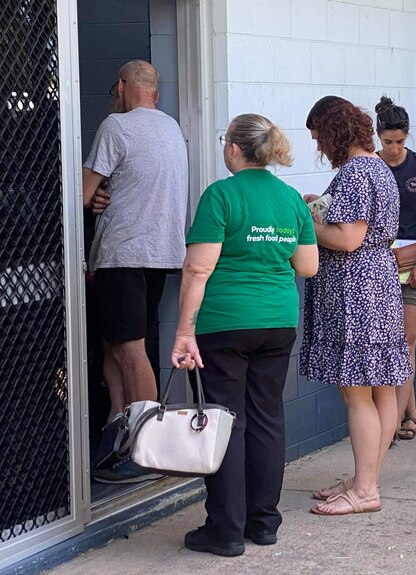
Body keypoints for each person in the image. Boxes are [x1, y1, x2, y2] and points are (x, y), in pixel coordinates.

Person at [171, 114, 318, 557]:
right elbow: (307, 266)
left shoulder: (220, 195)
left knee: (225, 421)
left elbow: (198, 268)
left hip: (225, 323)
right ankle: (264, 522)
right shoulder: (291, 199)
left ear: (233, 148)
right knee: (267, 417)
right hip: (277, 321)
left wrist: (183, 332)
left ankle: (226, 530)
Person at [301, 96, 412, 515]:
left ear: (332, 132)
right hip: (378, 284)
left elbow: (347, 238)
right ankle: (366, 479)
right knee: (381, 389)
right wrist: (322, 208)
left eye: (318, 137)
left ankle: (365, 492)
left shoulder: (353, 172)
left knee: (357, 395)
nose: (318, 146)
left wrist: (305, 221)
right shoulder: (379, 167)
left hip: (354, 291)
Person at [82, 60, 188, 483]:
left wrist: (92, 199)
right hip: (162, 253)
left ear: (123, 87)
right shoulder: (171, 129)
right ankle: (119, 428)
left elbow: (82, 193)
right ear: (155, 94)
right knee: (116, 345)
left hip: (124, 253)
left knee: (129, 350)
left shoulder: (115, 125)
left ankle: (149, 451)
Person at [374, 96, 416, 439]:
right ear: (377, 137)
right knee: (390, 341)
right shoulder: (370, 166)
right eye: (388, 142)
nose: (395, 148)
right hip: (379, 262)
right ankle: (409, 412)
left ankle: (396, 421)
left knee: (407, 340)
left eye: (400, 141)